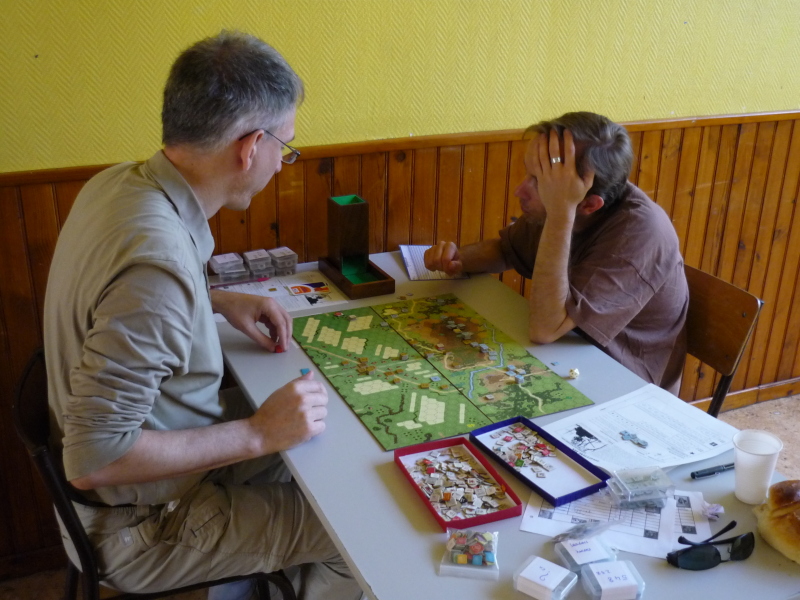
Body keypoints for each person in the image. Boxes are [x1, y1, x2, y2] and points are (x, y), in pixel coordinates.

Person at [43, 31, 362, 599]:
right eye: (285, 148)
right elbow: (93, 459)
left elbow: (120, 295)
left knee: (318, 439)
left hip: (144, 484)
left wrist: (211, 298)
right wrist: (257, 433)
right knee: (352, 533)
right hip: (138, 528)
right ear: (250, 147)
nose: (282, 164)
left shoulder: (118, 184)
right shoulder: (157, 266)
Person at [424, 112, 688, 394]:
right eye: (529, 174)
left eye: (538, 182)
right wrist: (458, 259)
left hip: (626, 386)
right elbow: (506, 249)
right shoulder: (566, 197)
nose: (519, 191)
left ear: (588, 205)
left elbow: (545, 329)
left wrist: (560, 213)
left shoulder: (637, 232)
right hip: (568, 359)